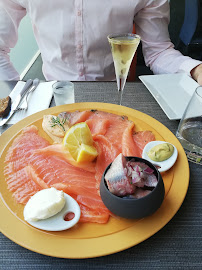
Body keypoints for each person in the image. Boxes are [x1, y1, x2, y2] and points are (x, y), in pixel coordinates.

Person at [0, 0, 202, 84]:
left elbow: (159, 52)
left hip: (115, 93)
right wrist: (19, 96)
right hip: (55, 93)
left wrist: (195, 69)